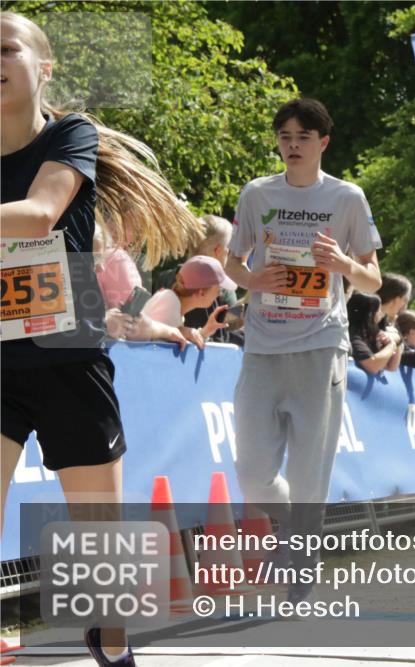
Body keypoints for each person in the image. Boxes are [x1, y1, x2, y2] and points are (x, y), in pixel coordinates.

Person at [1, 12, 201, 666]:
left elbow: (37, 217)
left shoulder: (69, 136)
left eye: (6, 49)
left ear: (44, 67)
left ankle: (111, 642)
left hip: (69, 355)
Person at [224, 98, 383, 603]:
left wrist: (341, 263)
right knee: (252, 474)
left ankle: (301, 558)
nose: (292, 145)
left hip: (321, 344)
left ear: (323, 143)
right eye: (285, 136)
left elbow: (373, 276)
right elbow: (232, 262)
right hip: (262, 344)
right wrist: (251, 278)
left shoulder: (347, 197)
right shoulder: (256, 193)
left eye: (302, 137)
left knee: (308, 468)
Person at [153, 215, 241, 345]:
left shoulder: (162, 279)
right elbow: (230, 338)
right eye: (227, 250)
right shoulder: (224, 291)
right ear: (218, 250)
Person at [141, 255, 234, 349]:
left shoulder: (172, 302)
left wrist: (206, 331)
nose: (219, 295)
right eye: (219, 290)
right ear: (201, 293)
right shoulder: (170, 303)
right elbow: (155, 348)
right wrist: (182, 332)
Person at [347, 292, 401, 374]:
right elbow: (372, 366)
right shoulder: (352, 336)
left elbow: (391, 367)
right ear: (370, 314)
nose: (380, 314)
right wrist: (391, 345)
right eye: (378, 310)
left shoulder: (371, 333)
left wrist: (396, 339)